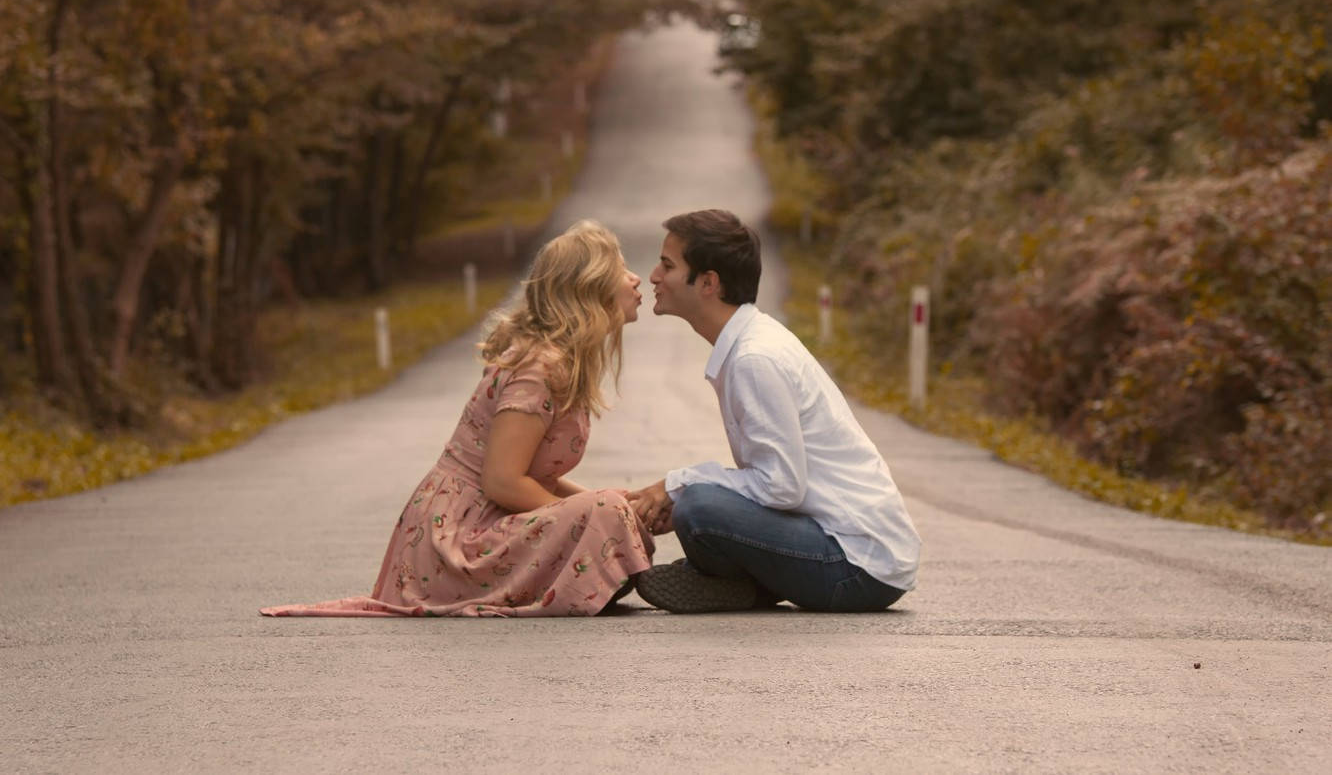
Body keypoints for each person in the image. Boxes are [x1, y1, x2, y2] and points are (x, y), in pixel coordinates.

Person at [261, 220, 654, 618]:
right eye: (620, 269)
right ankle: (622, 578)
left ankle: (617, 576)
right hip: (455, 542)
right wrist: (583, 517)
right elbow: (502, 482)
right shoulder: (540, 368)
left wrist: (591, 505)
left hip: (482, 525)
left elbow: (535, 479)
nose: (635, 278)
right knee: (605, 512)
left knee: (612, 506)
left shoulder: (559, 362)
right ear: (589, 289)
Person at [627, 209, 920, 613]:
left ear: (708, 282)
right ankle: (737, 586)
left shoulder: (754, 358)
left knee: (698, 506)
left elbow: (780, 486)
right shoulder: (750, 343)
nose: (654, 276)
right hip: (846, 551)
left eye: (667, 265)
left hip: (857, 567)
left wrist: (676, 486)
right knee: (696, 506)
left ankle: (735, 584)